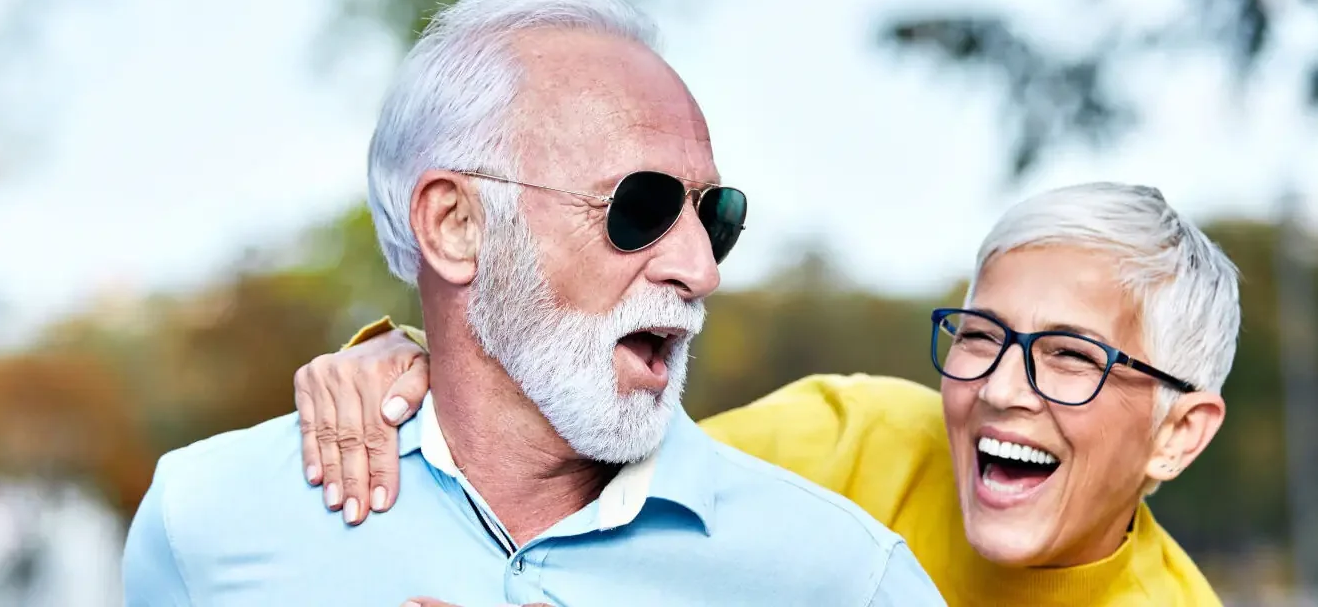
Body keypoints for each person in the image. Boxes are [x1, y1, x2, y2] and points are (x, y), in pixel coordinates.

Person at [122, 0, 943, 607]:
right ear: (453, 225)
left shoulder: (844, 579)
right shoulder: (205, 522)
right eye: (640, 207)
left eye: (713, 216)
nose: (700, 269)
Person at [294, 181, 1236, 607]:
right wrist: (415, 359)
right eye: (981, 338)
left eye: (1069, 357)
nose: (997, 390)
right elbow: (581, 463)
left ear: (1177, 435)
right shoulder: (850, 436)